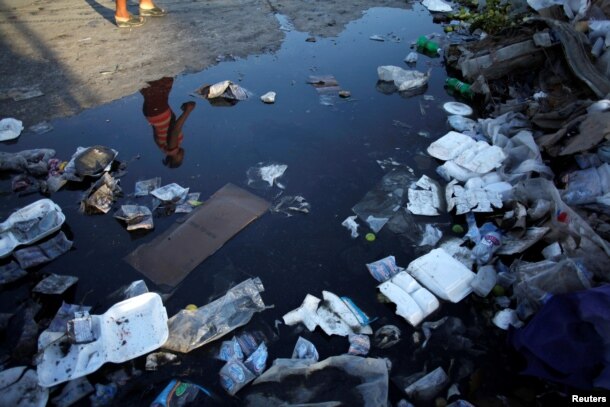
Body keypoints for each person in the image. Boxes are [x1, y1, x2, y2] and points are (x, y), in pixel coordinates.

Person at [140, 77, 195, 168]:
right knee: (159, 87)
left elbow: (175, 129)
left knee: (162, 83)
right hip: (152, 114)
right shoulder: (163, 148)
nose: (183, 156)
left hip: (158, 112)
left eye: (181, 158)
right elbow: (155, 131)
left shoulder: (172, 149)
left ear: (176, 158)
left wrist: (187, 111)